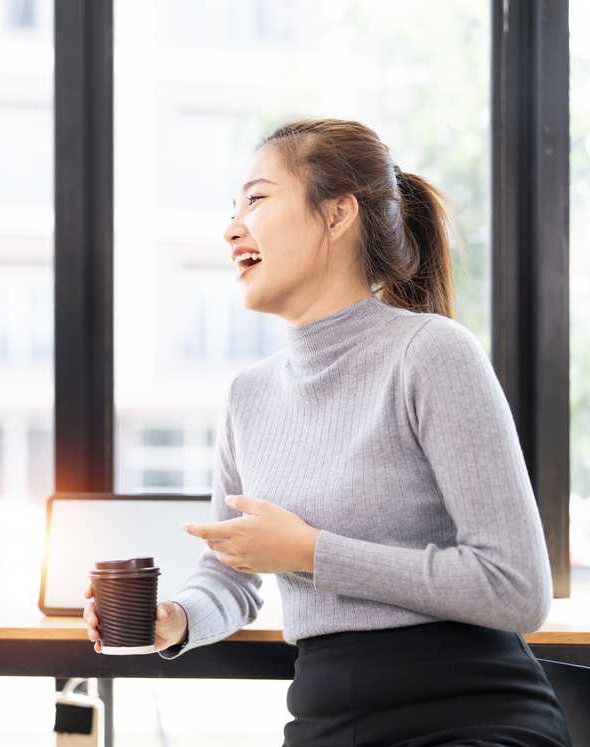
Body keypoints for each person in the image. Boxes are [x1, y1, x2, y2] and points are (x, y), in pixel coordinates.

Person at [84, 119, 572, 745]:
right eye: (233, 208)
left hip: (469, 712)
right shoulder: (248, 396)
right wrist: (174, 619)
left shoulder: (431, 353)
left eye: (257, 199)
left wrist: (312, 553)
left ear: (338, 213)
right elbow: (231, 575)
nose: (233, 227)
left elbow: (517, 589)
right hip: (324, 718)